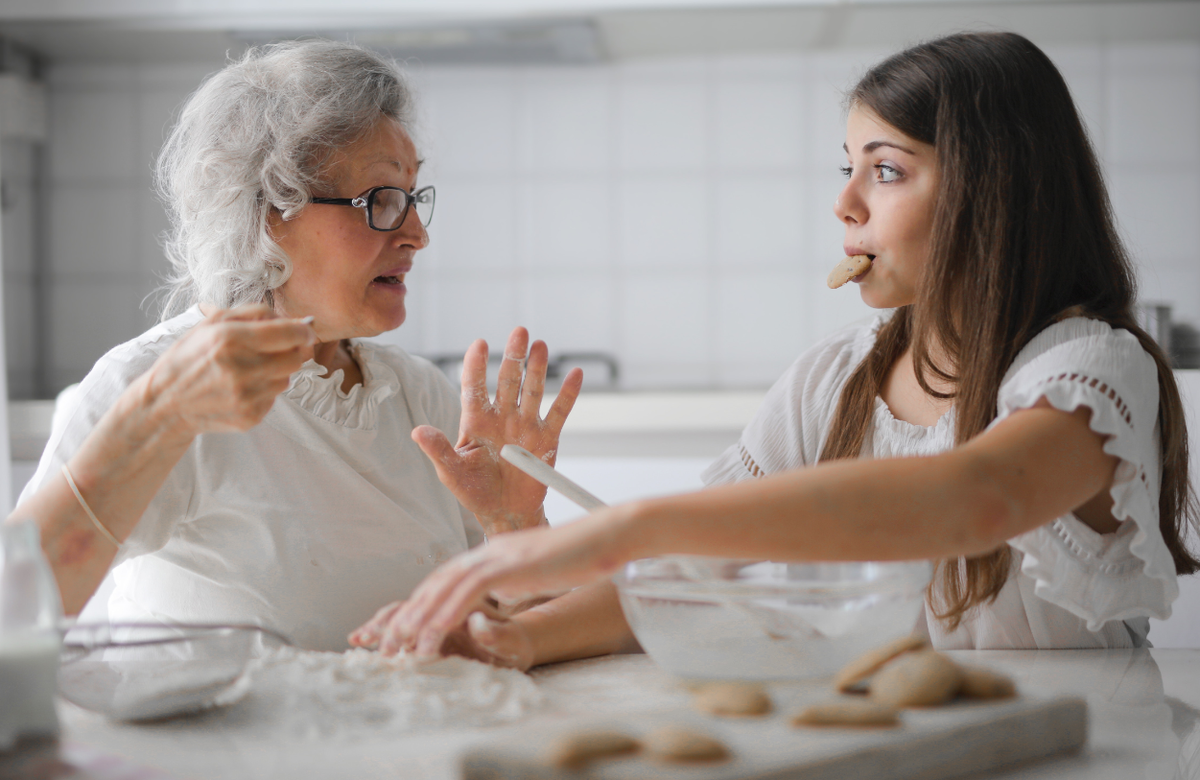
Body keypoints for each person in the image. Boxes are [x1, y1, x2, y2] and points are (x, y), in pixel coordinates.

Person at [353, 31, 1198, 664]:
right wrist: (518, 638)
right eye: (847, 167)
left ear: (995, 191)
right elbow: (696, 573)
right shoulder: (832, 380)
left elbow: (975, 498)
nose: (845, 204)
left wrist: (632, 525)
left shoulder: (1091, 370)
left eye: (887, 170)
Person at [7, 40, 580, 651]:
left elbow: (505, 636)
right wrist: (157, 417)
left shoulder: (418, 396)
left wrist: (515, 526)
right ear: (265, 213)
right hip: (211, 719)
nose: (417, 234)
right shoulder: (150, 381)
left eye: (413, 198)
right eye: (382, 200)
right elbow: (13, 610)